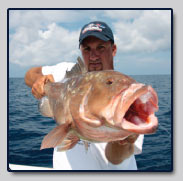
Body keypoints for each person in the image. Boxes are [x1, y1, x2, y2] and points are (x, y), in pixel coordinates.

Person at [24, 21, 144, 170]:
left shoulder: (127, 95)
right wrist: (38, 82)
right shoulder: (67, 71)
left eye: (100, 47)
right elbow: (30, 74)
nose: (93, 56)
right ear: (80, 50)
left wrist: (125, 139)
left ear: (113, 49)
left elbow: (116, 157)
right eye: (87, 49)